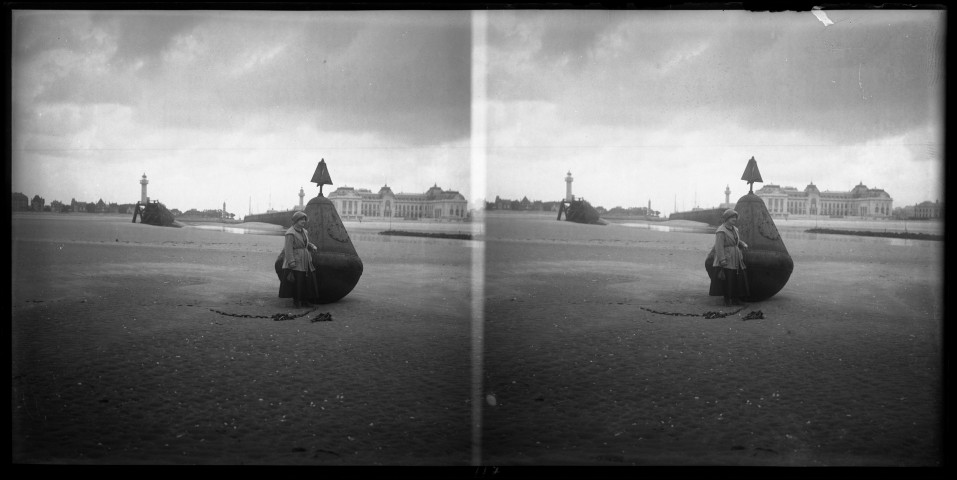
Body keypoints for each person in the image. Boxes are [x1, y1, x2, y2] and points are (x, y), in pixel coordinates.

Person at [278, 211, 320, 307]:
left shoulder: (304, 231)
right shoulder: (290, 233)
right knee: (298, 282)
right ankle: (297, 301)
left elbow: (305, 243)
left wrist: (311, 246)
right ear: (296, 220)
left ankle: (305, 301)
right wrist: (291, 262)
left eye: (304, 219)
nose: (304, 221)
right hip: (296, 260)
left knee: (306, 281)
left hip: (306, 259)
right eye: (301, 219)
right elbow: (288, 249)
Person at [710, 208, 750, 306]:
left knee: (736, 279)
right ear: (727, 218)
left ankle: (735, 299)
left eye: (735, 218)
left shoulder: (735, 229)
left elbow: (736, 241)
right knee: (728, 280)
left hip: (736, 257)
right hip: (727, 258)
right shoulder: (721, 231)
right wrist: (722, 260)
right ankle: (727, 300)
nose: (734, 219)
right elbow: (719, 247)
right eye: (732, 217)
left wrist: (742, 243)